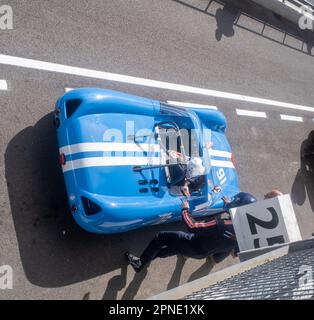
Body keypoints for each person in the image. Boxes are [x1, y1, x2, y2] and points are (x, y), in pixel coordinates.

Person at [125, 191, 258, 272]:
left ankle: (140, 264)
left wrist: (185, 209)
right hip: (203, 253)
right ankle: (153, 256)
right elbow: (235, 253)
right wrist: (227, 206)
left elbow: (193, 225)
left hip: (193, 243)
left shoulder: (221, 224)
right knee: (175, 248)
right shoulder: (247, 233)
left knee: (160, 237)